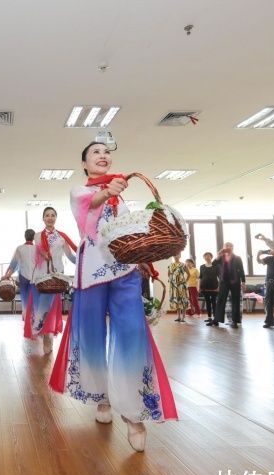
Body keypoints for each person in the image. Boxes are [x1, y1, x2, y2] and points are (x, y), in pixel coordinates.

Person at [50, 141, 177, 453]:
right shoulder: (79, 191)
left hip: (124, 269)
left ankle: (134, 414)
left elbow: (129, 234)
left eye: (107, 152)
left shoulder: (122, 198)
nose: (103, 155)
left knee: (133, 335)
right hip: (92, 269)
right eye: (95, 152)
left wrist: (144, 258)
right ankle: (102, 397)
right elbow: (93, 204)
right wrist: (108, 191)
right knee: (92, 337)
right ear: (84, 163)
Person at [25, 207, 76, 354]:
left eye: (53, 215)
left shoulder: (62, 237)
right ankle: (40, 328)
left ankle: (46, 336)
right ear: (43, 218)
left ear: (56, 218)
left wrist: (83, 260)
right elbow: (41, 250)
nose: (50, 218)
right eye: (47, 215)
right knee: (41, 307)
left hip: (56, 278)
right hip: (40, 276)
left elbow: (71, 256)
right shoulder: (37, 235)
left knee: (51, 310)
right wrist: (46, 254)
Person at [2, 229, 36, 321]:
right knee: (34, 298)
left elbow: (14, 264)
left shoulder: (19, 248)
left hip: (23, 277)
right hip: (35, 277)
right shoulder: (37, 248)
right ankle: (33, 318)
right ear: (34, 237)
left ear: (25, 236)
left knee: (24, 298)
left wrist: (7, 275)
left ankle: (25, 316)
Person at [211, 242, 246, 327]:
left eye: (230, 246)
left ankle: (234, 321)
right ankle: (216, 320)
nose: (228, 247)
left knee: (235, 301)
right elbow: (213, 264)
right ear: (223, 247)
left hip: (235, 282)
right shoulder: (221, 257)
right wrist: (219, 255)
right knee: (220, 300)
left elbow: (241, 270)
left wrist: (243, 282)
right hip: (224, 282)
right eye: (226, 246)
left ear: (233, 247)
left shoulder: (237, 258)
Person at [199, 252, 219, 324]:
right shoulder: (202, 266)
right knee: (207, 303)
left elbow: (219, 277)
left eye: (208, 256)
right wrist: (199, 287)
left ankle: (215, 319)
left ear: (211, 257)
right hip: (204, 287)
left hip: (214, 287)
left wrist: (219, 287)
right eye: (205, 256)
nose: (207, 257)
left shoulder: (216, 266)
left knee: (214, 303)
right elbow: (200, 278)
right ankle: (209, 318)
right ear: (204, 258)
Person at [167, 255, 189, 322]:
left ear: (180, 256)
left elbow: (188, 274)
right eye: (175, 255)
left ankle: (183, 317)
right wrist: (171, 281)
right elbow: (169, 274)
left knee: (183, 300)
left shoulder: (183, 264)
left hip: (181, 285)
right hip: (174, 286)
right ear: (173, 256)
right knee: (177, 300)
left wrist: (185, 281)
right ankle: (179, 316)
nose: (176, 256)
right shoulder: (170, 265)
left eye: (177, 255)